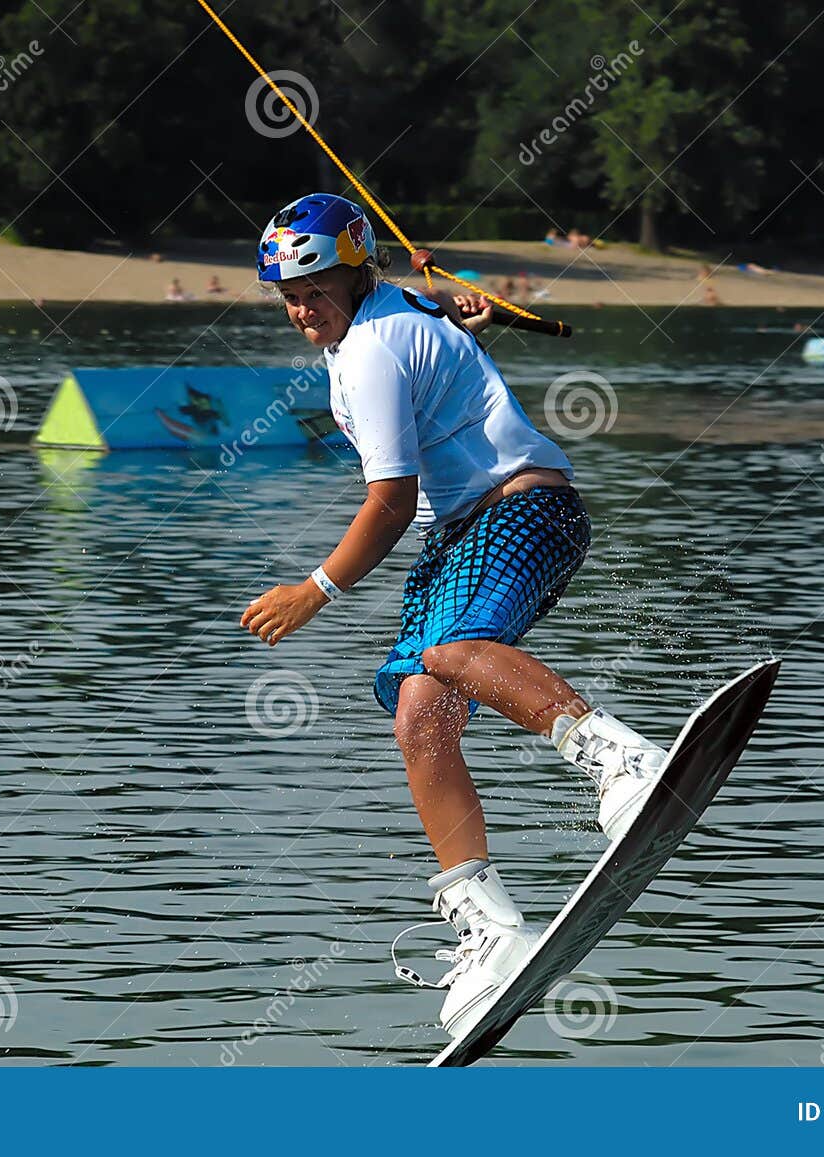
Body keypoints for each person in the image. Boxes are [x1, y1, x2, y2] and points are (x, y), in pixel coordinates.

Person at [238, 193, 673, 1039]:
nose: (301, 311)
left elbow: (393, 502)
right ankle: (490, 927)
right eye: (288, 297)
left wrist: (314, 589)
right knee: (416, 706)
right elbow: (425, 311)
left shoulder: (369, 348)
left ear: (355, 270)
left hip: (518, 509)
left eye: (315, 289)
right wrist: (456, 309)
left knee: (452, 646)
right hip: (471, 525)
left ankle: (621, 760)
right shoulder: (394, 309)